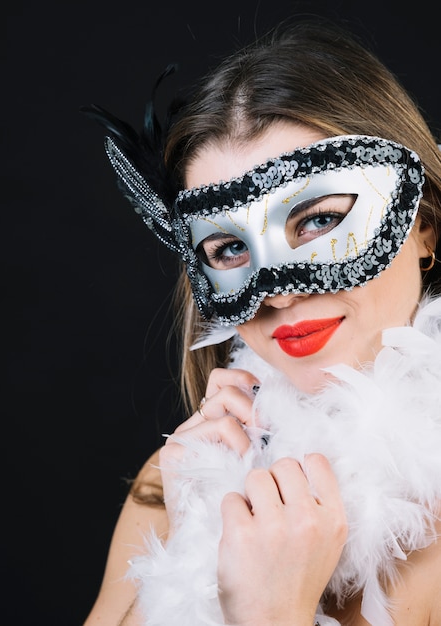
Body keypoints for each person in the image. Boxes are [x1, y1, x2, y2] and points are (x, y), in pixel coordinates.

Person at [81, 16, 441, 626]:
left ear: (424, 225)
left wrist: (271, 612)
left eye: (321, 221)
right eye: (228, 250)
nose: (276, 293)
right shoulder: (174, 485)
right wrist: (191, 542)